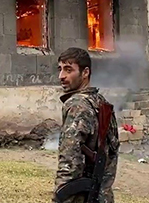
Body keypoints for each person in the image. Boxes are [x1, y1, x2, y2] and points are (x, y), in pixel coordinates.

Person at [53, 47, 120, 203]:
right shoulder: (101, 102)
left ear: (85, 72)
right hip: (102, 195)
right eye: (60, 69)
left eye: (68, 70)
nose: (61, 76)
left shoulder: (78, 105)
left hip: (83, 197)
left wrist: (60, 197)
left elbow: (70, 160)